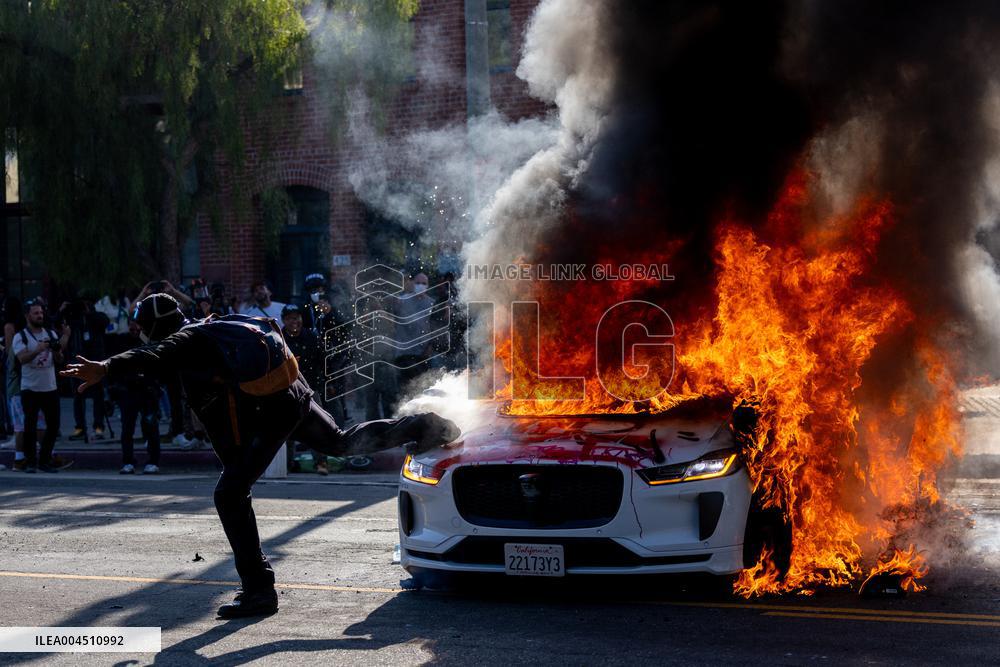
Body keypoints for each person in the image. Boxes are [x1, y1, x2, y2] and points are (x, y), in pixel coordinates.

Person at [61, 293, 459, 618]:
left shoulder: (185, 342)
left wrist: (106, 368)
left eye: (144, 328)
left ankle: (259, 591)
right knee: (339, 441)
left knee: (229, 494)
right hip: (290, 390)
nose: (143, 335)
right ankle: (426, 426)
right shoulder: (210, 329)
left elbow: (153, 357)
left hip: (273, 408)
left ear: (155, 326)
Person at [13, 300, 70, 473]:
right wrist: (38, 349)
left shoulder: (51, 334)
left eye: (41, 313)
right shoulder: (20, 336)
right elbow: (22, 359)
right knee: (29, 427)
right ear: (27, 316)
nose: (40, 315)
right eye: (36, 313)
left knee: (53, 426)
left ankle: (45, 460)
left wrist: (57, 350)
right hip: (30, 388)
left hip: (49, 387)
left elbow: (59, 360)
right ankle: (30, 462)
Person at [280, 304, 328, 475]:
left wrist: (325, 384)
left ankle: (321, 463)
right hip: (287, 391)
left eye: (297, 317)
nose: (295, 321)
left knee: (318, 426)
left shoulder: (311, 337)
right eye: (290, 318)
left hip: (310, 389)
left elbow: (323, 362)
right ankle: (286, 465)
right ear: (284, 320)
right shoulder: (279, 339)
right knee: (286, 429)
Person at [112, 321, 161, 474]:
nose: (134, 328)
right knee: (127, 428)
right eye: (131, 325)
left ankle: (153, 461)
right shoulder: (122, 341)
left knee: (151, 426)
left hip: (147, 390)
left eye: (137, 324)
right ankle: (128, 461)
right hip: (129, 391)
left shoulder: (148, 340)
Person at [63, 298, 110, 440]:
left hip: (95, 362)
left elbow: (105, 321)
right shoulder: (73, 321)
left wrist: (87, 313)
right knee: (78, 396)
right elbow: (55, 322)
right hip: (78, 362)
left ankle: (99, 426)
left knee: (98, 396)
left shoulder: (95, 319)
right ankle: (80, 427)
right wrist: (62, 310)